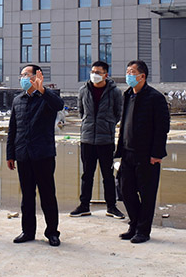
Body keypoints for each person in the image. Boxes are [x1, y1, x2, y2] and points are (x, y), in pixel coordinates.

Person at [7, 64, 63, 247]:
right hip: (23, 155)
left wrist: (43, 90)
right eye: (21, 75)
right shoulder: (18, 100)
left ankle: (52, 232)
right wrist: (10, 154)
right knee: (27, 196)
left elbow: (59, 105)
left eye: (26, 75)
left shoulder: (46, 98)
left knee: (48, 195)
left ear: (36, 77)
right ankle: (28, 231)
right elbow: (13, 129)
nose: (22, 78)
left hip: (43, 155)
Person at [114, 60, 170, 244]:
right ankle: (134, 224)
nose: (128, 75)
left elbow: (162, 128)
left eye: (132, 72)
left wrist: (157, 153)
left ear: (142, 76)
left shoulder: (155, 98)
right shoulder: (128, 95)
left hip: (147, 155)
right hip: (127, 152)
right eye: (127, 71)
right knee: (126, 190)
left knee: (147, 194)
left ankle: (143, 230)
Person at [70, 61, 124, 219]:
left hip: (106, 140)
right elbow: (82, 112)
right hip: (87, 139)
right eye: (93, 71)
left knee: (108, 175)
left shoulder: (115, 92)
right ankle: (84, 206)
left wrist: (107, 125)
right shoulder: (83, 90)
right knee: (87, 174)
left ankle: (111, 207)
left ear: (106, 75)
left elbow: (118, 113)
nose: (94, 74)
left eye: (98, 72)